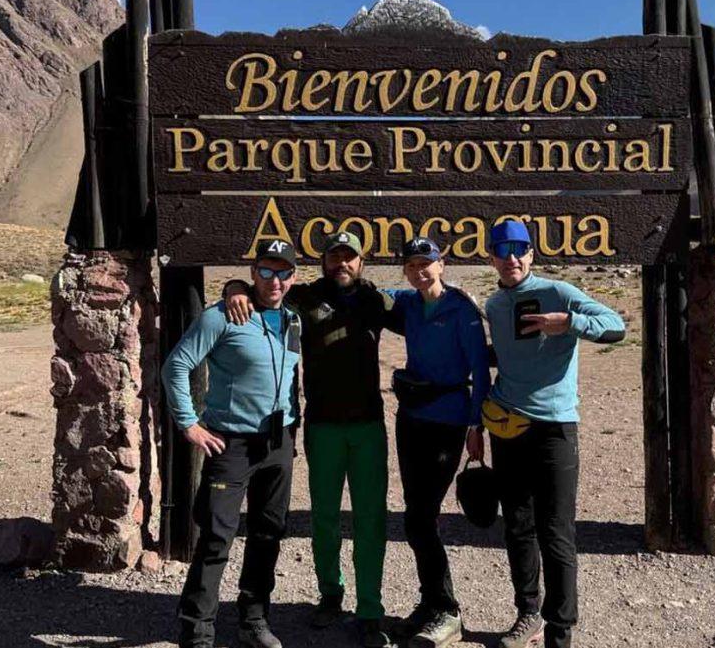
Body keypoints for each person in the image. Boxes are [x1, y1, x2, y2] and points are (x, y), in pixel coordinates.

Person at [223, 231, 397, 648]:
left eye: (349, 257)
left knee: (370, 519)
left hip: (368, 425)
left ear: (361, 262)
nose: (342, 264)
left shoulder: (376, 299)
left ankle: (370, 609)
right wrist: (233, 287)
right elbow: (260, 290)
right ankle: (330, 594)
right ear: (323, 261)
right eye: (335, 256)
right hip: (322, 425)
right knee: (324, 517)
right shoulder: (304, 297)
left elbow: (423, 308)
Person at [481, 220, 625, 648]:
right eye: (502, 249)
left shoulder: (558, 293)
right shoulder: (494, 304)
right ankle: (528, 614)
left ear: (531, 254)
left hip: (554, 427)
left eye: (519, 248)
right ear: (491, 257)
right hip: (508, 425)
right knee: (517, 526)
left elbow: (616, 325)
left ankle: (559, 631)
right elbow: (505, 355)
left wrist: (570, 322)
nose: (511, 257)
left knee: (556, 531)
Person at [161, 239, 303, 648]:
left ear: (293, 277)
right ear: (253, 272)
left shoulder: (293, 320)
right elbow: (176, 366)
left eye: (283, 272)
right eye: (266, 271)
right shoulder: (222, 316)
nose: (274, 281)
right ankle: (197, 632)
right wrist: (189, 423)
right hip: (232, 444)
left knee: (268, 533)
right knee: (216, 537)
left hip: (278, 441)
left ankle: (253, 619)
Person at [384, 237, 490, 647]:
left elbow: (479, 369)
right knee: (415, 514)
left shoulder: (461, 309)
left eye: (426, 263)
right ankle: (431, 603)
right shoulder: (408, 304)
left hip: (448, 420)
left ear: (441, 264)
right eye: (412, 266)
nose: (420, 271)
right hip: (411, 419)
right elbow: (369, 292)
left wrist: (476, 425)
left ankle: (446, 610)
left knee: (422, 516)